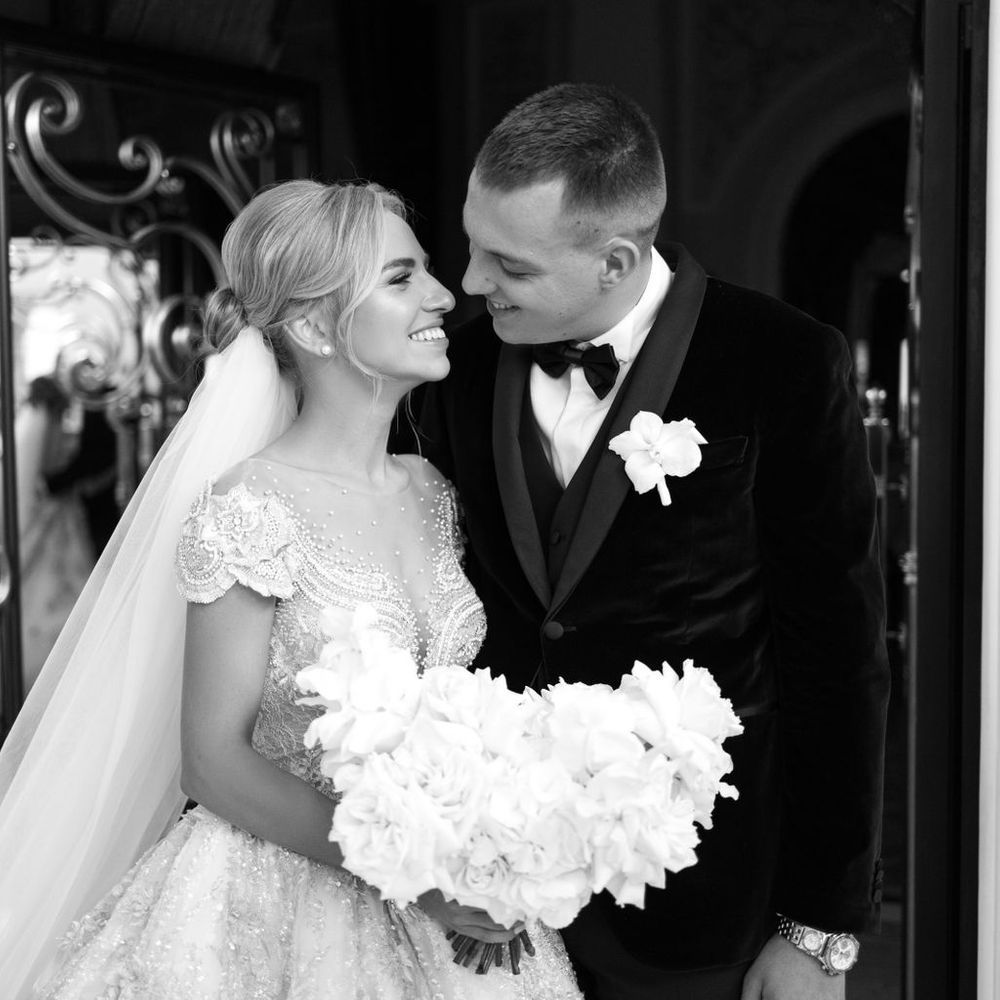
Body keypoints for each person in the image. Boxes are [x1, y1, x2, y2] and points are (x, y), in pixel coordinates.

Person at [0, 179, 582, 1000]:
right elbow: (211, 761)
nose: (445, 294)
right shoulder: (250, 508)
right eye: (400, 276)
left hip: (454, 896)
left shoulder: (435, 491)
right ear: (312, 326)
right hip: (277, 904)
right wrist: (412, 874)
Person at [415, 83, 890, 1000]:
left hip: (704, 899)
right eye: (472, 247)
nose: (471, 284)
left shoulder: (785, 362)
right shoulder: (452, 371)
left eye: (508, 265)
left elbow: (839, 657)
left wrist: (820, 929)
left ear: (616, 259)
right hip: (494, 905)